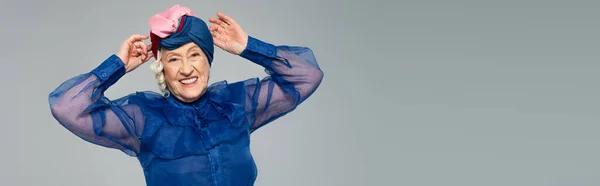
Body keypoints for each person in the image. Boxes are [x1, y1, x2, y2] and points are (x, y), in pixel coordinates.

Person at [48, 4, 323, 186]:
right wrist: (117, 65)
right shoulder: (143, 119)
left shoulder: (236, 104)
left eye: (195, 55)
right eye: (174, 60)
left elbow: (307, 75)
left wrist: (248, 46)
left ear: (208, 59)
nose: (187, 68)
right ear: (162, 69)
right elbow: (66, 107)